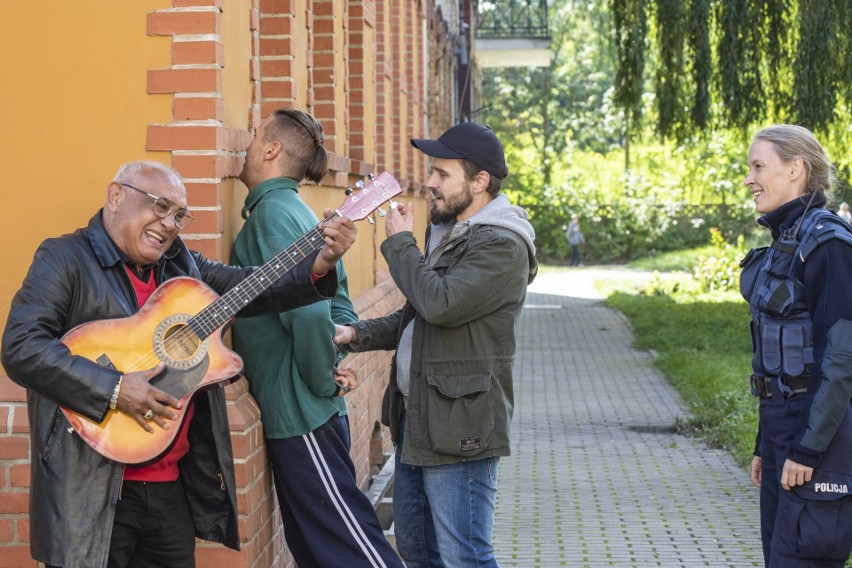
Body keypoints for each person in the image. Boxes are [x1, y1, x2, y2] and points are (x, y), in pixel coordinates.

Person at [0, 160, 356, 568]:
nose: (169, 224)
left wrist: (321, 262)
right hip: (90, 490)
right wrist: (115, 387)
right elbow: (21, 347)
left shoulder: (180, 263)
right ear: (116, 196)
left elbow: (252, 287)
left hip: (170, 488)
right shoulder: (64, 258)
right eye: (159, 206)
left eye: (178, 215)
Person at [335, 122, 538, 567]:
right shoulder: (452, 233)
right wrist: (355, 333)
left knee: (463, 555)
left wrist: (401, 244)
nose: (429, 183)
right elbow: (420, 316)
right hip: (419, 418)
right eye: (431, 171)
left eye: (442, 174)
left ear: (480, 181)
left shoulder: (501, 246)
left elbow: (439, 303)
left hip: (460, 425)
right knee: (419, 551)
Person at [230, 108, 403, 568]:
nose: (245, 144)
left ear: (270, 149)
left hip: (300, 409)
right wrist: (333, 352)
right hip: (307, 407)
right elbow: (340, 306)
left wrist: (324, 380)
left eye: (253, 136)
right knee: (319, 551)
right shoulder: (298, 213)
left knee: (354, 550)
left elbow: (308, 316)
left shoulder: (272, 215)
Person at [740, 124, 852, 567]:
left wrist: (807, 448)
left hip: (820, 438)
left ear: (795, 169)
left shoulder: (829, 245)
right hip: (782, 431)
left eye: (758, 166)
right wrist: (763, 443)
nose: (749, 178)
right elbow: (777, 358)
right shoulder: (787, 241)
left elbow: (840, 359)